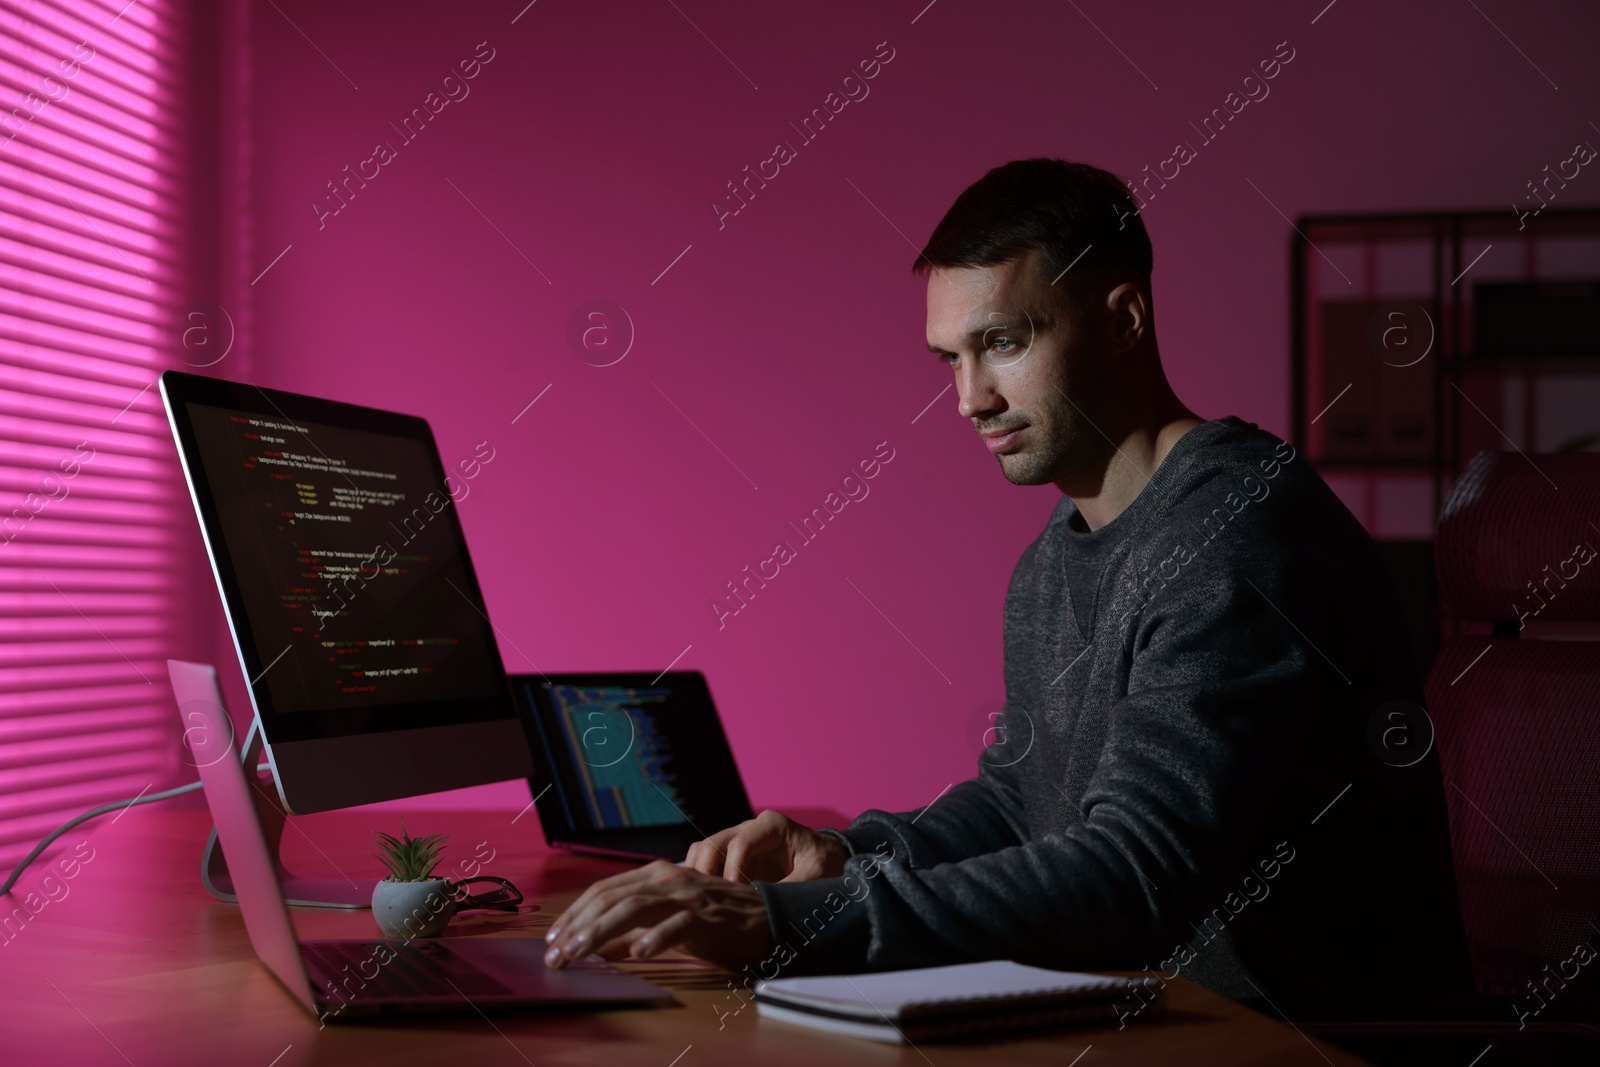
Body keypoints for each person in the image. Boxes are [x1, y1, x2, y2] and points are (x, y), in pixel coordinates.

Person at [542, 157, 1474, 1015]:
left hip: (1314, 1045)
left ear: (1121, 319)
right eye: (952, 357)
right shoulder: (1055, 559)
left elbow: (1138, 877)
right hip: (1165, 1020)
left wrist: (791, 925)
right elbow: (1025, 803)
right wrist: (847, 856)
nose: (970, 397)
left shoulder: (1236, 534)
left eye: (1003, 342)